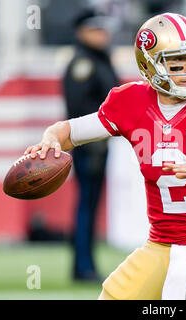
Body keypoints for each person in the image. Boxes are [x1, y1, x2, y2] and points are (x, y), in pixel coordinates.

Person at [24, 13, 186, 299]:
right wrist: (51, 138)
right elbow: (70, 130)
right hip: (162, 243)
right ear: (150, 67)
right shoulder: (129, 102)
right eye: (179, 62)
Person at [62, 9, 119, 282]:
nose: (102, 34)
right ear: (82, 32)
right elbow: (79, 109)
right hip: (88, 147)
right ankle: (83, 267)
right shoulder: (82, 63)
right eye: (96, 30)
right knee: (86, 204)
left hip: (100, 145)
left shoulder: (100, 59)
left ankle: (85, 263)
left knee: (91, 204)